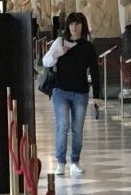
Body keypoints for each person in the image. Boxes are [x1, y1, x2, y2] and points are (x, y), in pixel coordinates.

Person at [41, 10, 103, 176]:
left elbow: (95, 72)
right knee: (63, 126)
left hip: (80, 92)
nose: (74, 27)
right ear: (68, 26)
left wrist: (97, 95)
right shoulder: (60, 42)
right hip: (61, 91)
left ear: (83, 26)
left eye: (78, 24)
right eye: (72, 24)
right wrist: (57, 53)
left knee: (77, 128)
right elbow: (45, 61)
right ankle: (60, 162)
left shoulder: (88, 47)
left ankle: (75, 161)